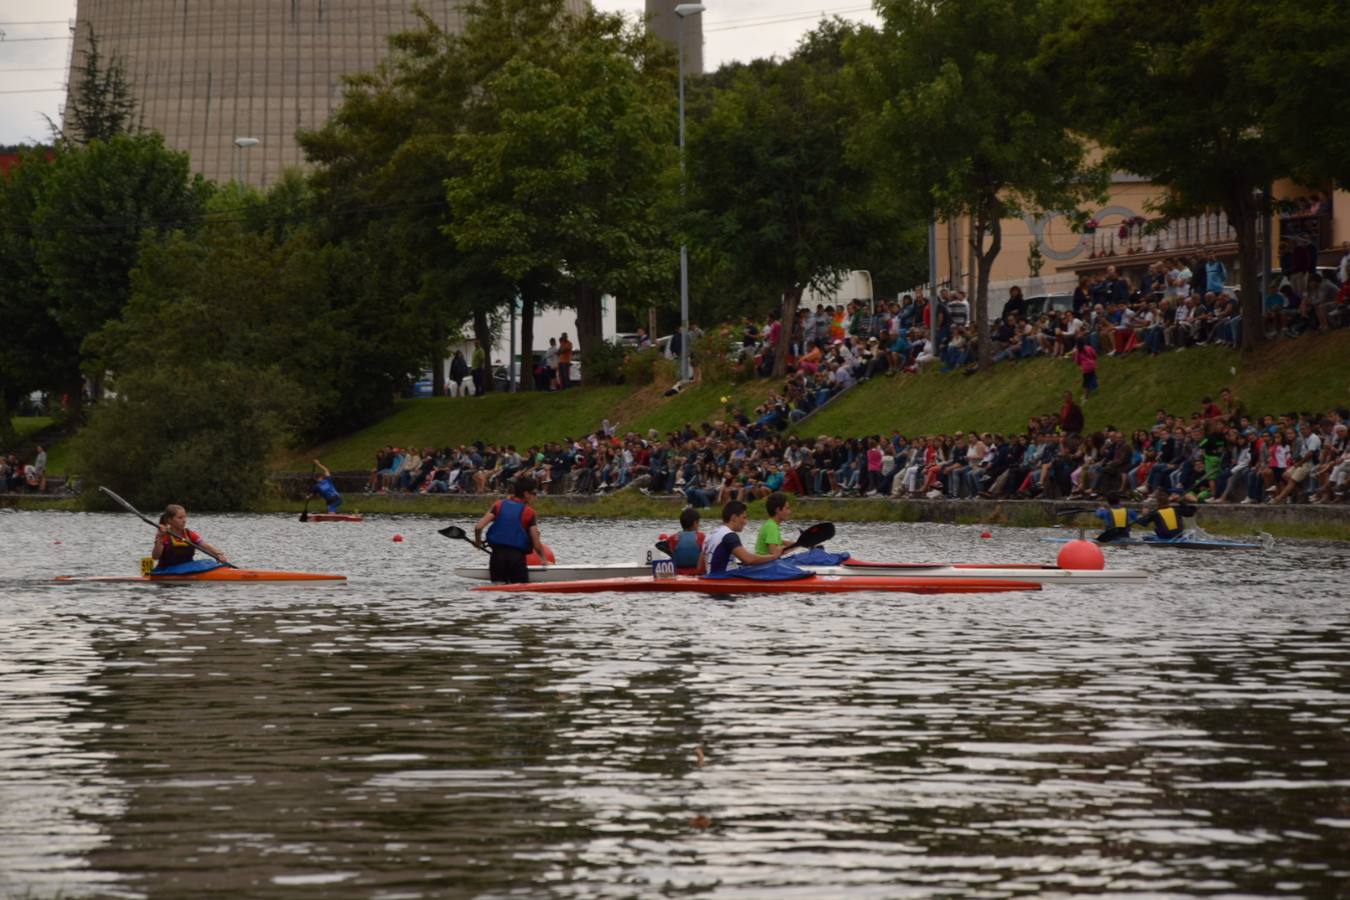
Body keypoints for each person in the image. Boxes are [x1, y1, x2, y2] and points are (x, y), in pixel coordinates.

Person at [474, 476, 548, 584]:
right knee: (520, 593)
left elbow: (478, 527)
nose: (536, 497)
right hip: (516, 559)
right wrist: (544, 560)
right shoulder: (529, 512)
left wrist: (477, 542)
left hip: (496, 558)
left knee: (497, 590)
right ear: (526, 494)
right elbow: (536, 544)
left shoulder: (499, 505)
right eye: (534, 493)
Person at [701, 500, 782, 576]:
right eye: (744, 517)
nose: (745, 522)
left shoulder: (712, 533)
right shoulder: (729, 536)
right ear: (734, 518)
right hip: (725, 577)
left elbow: (701, 564)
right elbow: (749, 559)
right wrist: (774, 556)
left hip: (713, 575)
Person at [152, 504, 228, 569]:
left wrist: (218, 554)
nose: (184, 520)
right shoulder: (163, 535)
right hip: (167, 571)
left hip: (188, 569)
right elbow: (155, 556)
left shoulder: (189, 534)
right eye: (180, 518)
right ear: (170, 520)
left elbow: (205, 545)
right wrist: (160, 538)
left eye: (185, 517)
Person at [664, 506, 706, 572]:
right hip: (697, 574)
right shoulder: (702, 537)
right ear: (695, 523)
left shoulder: (671, 538)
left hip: (677, 574)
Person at [755, 491, 792, 556]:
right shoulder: (772, 527)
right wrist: (794, 547)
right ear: (777, 510)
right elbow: (774, 552)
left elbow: (780, 541)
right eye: (787, 508)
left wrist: (800, 544)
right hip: (766, 565)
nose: (790, 512)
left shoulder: (770, 523)